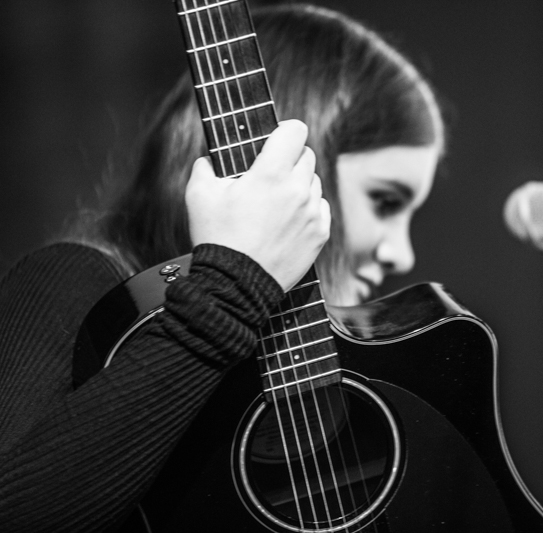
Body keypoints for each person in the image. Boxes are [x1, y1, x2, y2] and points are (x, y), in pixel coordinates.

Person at [0, 3, 445, 531]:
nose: (402, 254)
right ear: (303, 165)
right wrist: (234, 284)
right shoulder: (74, 281)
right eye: (386, 201)